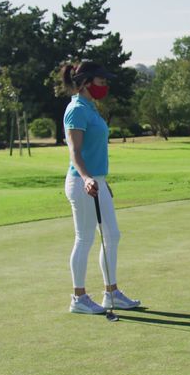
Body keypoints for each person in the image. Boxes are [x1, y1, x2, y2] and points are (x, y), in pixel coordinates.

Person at [58, 60, 142, 314]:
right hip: (82, 183)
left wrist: (102, 182)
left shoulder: (91, 108)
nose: (105, 86)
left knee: (112, 235)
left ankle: (111, 293)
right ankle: (79, 298)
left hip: (98, 182)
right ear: (85, 82)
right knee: (84, 239)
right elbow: (75, 151)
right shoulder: (76, 110)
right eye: (101, 81)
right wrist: (87, 178)